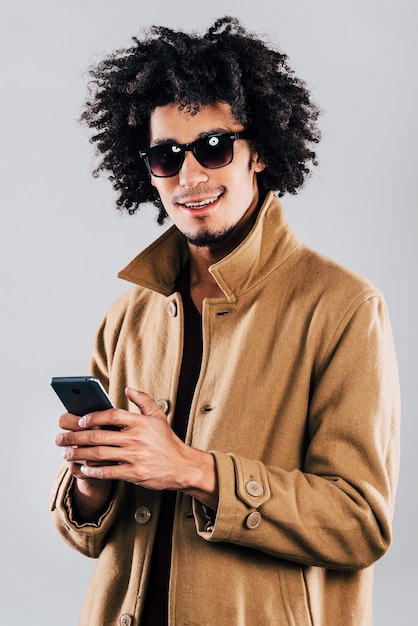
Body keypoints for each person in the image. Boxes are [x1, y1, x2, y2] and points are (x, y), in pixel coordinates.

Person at [50, 16, 400, 626]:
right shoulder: (127, 316)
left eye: (212, 147)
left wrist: (193, 469)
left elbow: (360, 524)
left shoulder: (343, 308)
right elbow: (84, 538)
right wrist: (92, 482)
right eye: (166, 156)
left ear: (258, 149)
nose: (189, 177)